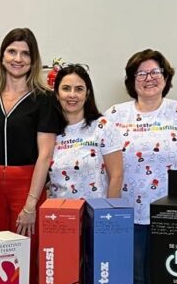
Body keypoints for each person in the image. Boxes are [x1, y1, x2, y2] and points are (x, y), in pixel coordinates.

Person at [0, 28, 62, 284]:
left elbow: (45, 155)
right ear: (2, 57)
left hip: (26, 186)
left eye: (25, 53)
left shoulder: (44, 98)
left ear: (33, 60)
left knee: (27, 256)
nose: (18, 58)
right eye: (12, 51)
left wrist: (30, 205)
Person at [107, 50, 177, 284]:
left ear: (166, 76)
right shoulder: (115, 115)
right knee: (134, 279)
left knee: (169, 278)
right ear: (131, 79)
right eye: (141, 73)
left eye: (155, 72)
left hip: (173, 213)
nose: (149, 78)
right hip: (127, 211)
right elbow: (104, 164)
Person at [48, 64, 123, 200]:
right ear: (57, 94)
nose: (72, 95)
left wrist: (108, 213)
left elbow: (116, 176)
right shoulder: (49, 132)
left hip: (96, 214)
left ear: (87, 94)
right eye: (66, 89)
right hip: (61, 214)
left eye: (79, 89)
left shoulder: (103, 127)